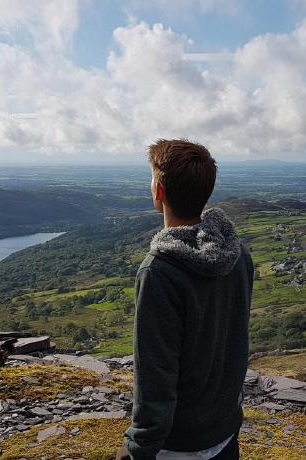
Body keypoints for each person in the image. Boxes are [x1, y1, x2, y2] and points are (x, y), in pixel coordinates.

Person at [116, 139, 254, 460]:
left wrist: (138, 446)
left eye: (152, 178)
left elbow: (155, 373)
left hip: (178, 444)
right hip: (224, 431)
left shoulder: (159, 271)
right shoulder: (237, 254)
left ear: (159, 191)